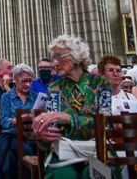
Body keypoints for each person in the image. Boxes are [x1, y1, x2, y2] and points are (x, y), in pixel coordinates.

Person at [32, 35, 111, 178]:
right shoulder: (54, 89)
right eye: (53, 58)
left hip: (97, 151)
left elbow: (105, 126)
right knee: (64, 175)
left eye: (59, 56)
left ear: (76, 56)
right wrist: (40, 136)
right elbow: (50, 133)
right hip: (64, 153)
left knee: (96, 174)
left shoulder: (100, 84)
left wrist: (68, 118)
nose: (54, 62)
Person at [0, 64, 37, 179]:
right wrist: (19, 119)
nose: (28, 84)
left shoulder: (36, 97)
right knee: (24, 149)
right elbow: (4, 122)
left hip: (35, 135)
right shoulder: (6, 97)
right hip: (14, 135)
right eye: (24, 81)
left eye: (30, 81)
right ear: (15, 79)